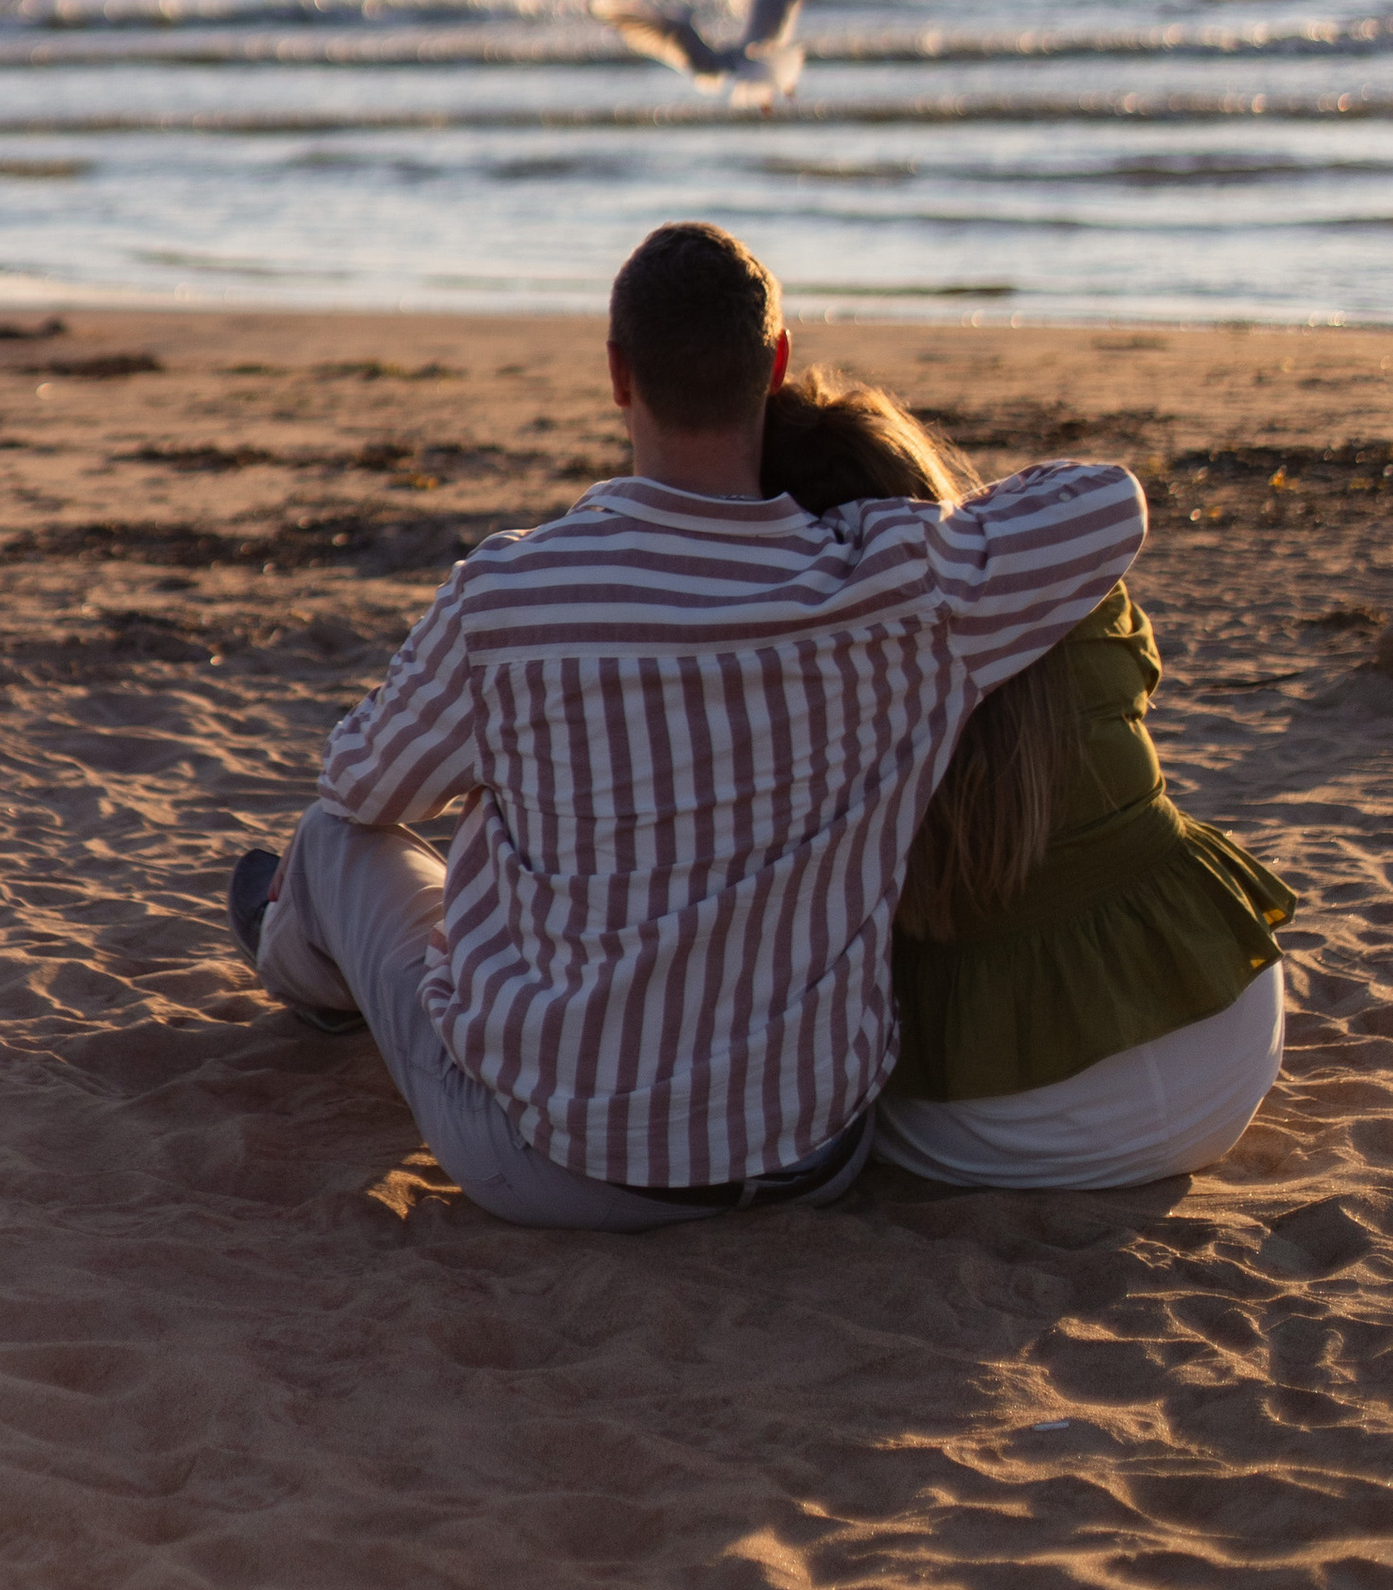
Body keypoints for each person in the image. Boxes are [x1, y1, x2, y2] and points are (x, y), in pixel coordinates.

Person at [231, 222, 1146, 1231]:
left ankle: (303, 968)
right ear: (779, 367)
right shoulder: (894, 583)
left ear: (619, 376)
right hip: (814, 1151)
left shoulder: (509, 594)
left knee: (328, 845)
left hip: (553, 1164)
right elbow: (1107, 502)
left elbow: (362, 785)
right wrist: (902, 519)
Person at [761, 369, 1294, 1188]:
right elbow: (1133, 681)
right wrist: (949, 519)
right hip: (1226, 1044)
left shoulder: (798, 676)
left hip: (1002, 1120)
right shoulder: (1080, 589)